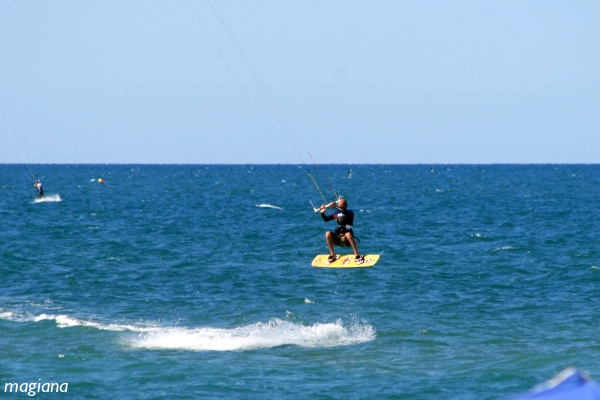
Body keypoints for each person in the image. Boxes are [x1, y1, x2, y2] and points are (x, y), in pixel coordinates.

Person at [320, 198, 364, 265]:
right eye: (339, 206)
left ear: (346, 206)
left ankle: (357, 255)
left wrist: (335, 206)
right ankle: (333, 254)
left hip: (347, 240)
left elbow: (344, 212)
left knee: (348, 234)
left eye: (341, 206)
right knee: (327, 233)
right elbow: (326, 219)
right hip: (338, 238)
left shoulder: (350, 212)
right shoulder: (336, 214)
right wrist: (322, 213)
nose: (340, 208)